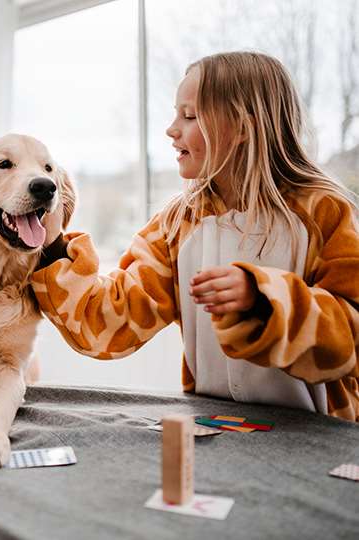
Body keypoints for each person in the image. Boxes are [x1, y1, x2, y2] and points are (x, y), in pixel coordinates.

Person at [33, 51, 359, 421]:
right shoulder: (177, 223)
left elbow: (350, 336)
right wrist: (54, 244)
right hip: (220, 428)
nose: (172, 130)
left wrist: (262, 298)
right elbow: (109, 326)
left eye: (189, 116)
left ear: (241, 128)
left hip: (320, 435)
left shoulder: (324, 212)